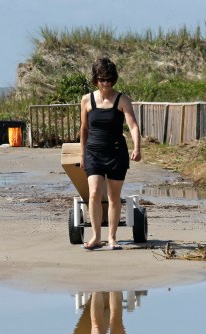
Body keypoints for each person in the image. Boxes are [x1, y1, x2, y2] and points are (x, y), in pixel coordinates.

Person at [80, 57, 141, 251]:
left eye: (108, 80)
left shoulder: (122, 99)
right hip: (93, 153)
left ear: (113, 80)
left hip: (116, 153)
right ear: (95, 79)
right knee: (95, 192)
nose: (105, 84)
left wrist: (137, 147)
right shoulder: (86, 100)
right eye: (101, 79)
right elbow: (84, 129)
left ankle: (112, 237)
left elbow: (133, 125)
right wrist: (82, 155)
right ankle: (96, 237)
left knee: (114, 196)